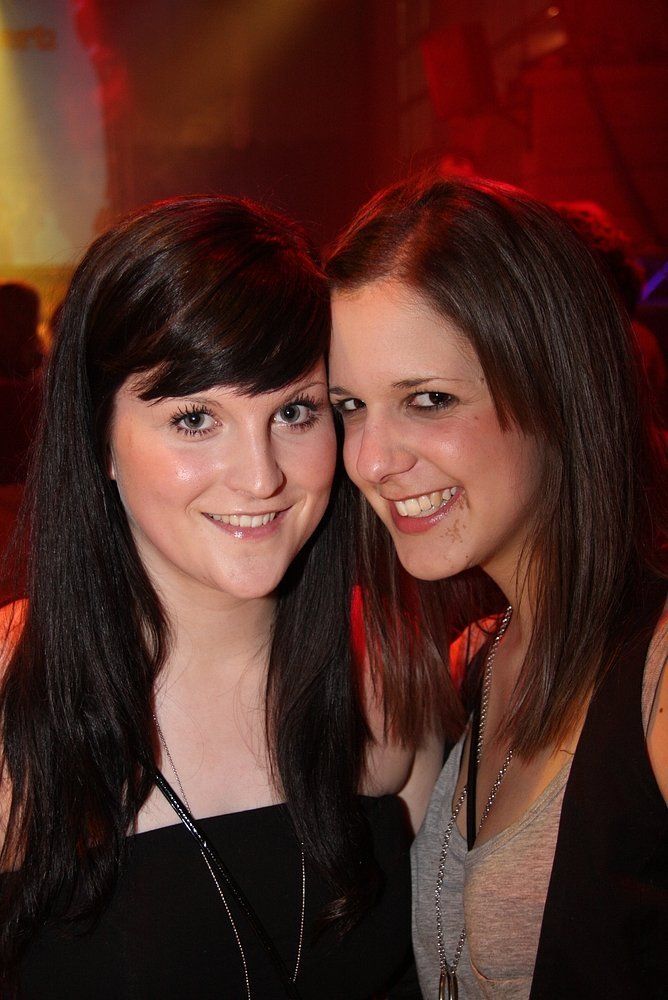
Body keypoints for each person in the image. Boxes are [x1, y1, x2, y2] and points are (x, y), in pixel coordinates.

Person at [0, 195, 442, 999]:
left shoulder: (387, 675)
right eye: (196, 418)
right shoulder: (12, 696)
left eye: (295, 411)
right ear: (98, 436)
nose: (261, 476)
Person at [325, 173, 667, 999]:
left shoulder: (658, 676)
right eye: (350, 406)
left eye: (428, 399)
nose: (371, 459)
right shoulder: (472, 659)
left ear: (557, 389)